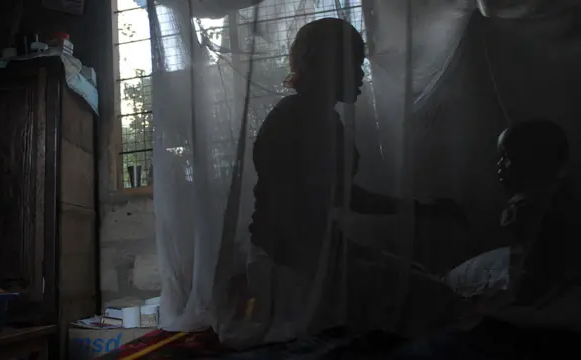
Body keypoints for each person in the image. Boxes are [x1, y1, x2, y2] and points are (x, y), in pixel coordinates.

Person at [245, 18, 462, 343]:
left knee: (420, 280)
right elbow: (344, 197)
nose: (361, 76)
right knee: (434, 300)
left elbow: (334, 196)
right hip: (294, 262)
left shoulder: (314, 116)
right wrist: (421, 210)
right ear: (328, 66)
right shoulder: (302, 119)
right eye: (354, 65)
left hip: (310, 252)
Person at [389, 119, 581, 359]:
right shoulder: (561, 191)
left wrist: (506, 302)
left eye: (507, 157)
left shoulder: (524, 208)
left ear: (533, 162)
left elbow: (527, 267)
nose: (499, 165)